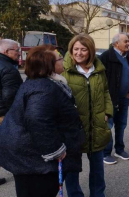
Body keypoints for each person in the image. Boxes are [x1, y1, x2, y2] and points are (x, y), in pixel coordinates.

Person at [0, 45, 84, 197]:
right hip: (33, 159)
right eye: (59, 59)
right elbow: (38, 120)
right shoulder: (43, 88)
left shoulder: (43, 82)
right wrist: (55, 150)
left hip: (30, 155)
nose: (64, 60)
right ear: (49, 65)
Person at [63, 34, 113, 197]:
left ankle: (98, 194)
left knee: (98, 167)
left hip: (97, 125)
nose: (79, 53)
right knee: (72, 169)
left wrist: (107, 112)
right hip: (73, 128)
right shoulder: (64, 70)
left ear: (90, 51)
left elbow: (105, 91)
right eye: (75, 49)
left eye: (83, 49)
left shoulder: (98, 69)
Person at [99, 33, 129, 164]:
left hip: (124, 98)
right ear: (116, 44)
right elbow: (100, 79)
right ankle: (106, 153)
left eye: (128, 41)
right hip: (110, 98)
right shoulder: (106, 57)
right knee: (108, 125)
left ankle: (119, 150)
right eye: (125, 41)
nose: (128, 44)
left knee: (121, 125)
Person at [0, 39, 23, 186]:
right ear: (6, 51)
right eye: (16, 50)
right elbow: (10, 97)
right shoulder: (8, 69)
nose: (19, 53)